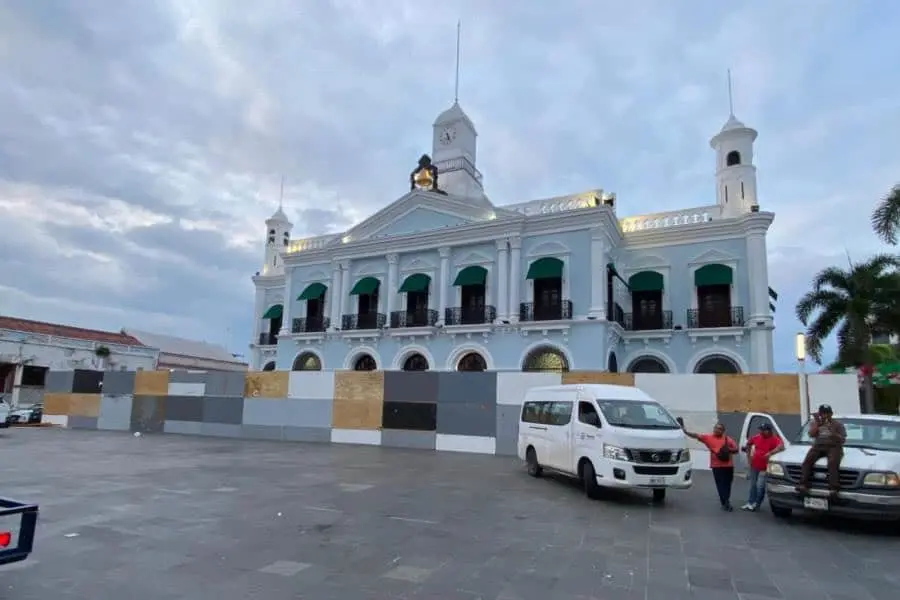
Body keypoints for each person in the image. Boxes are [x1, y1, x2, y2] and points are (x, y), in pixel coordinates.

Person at [682, 421, 739, 511]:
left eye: (719, 429)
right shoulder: (708, 438)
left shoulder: (728, 439)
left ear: (723, 431)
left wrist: (728, 450)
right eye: (716, 428)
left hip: (728, 465)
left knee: (727, 484)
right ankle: (725, 502)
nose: (717, 430)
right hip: (716, 466)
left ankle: (726, 500)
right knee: (720, 484)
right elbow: (696, 435)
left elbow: (736, 450)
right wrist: (685, 432)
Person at [796, 404, 846, 496]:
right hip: (818, 446)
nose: (825, 416)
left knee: (832, 462)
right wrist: (818, 424)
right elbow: (811, 434)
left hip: (833, 446)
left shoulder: (837, 424)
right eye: (823, 413)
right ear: (820, 414)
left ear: (831, 414)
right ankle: (803, 484)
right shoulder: (815, 423)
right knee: (807, 461)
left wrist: (833, 433)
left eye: (827, 413)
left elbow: (843, 440)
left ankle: (834, 488)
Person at [742, 422, 784, 511]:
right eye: (760, 429)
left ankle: (757, 503)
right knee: (753, 485)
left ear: (769, 431)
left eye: (763, 430)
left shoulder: (774, 439)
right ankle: (750, 502)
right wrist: (748, 457)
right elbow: (748, 444)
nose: (761, 431)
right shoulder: (757, 437)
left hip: (765, 466)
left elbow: (781, 446)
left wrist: (770, 452)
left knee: (760, 486)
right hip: (754, 465)